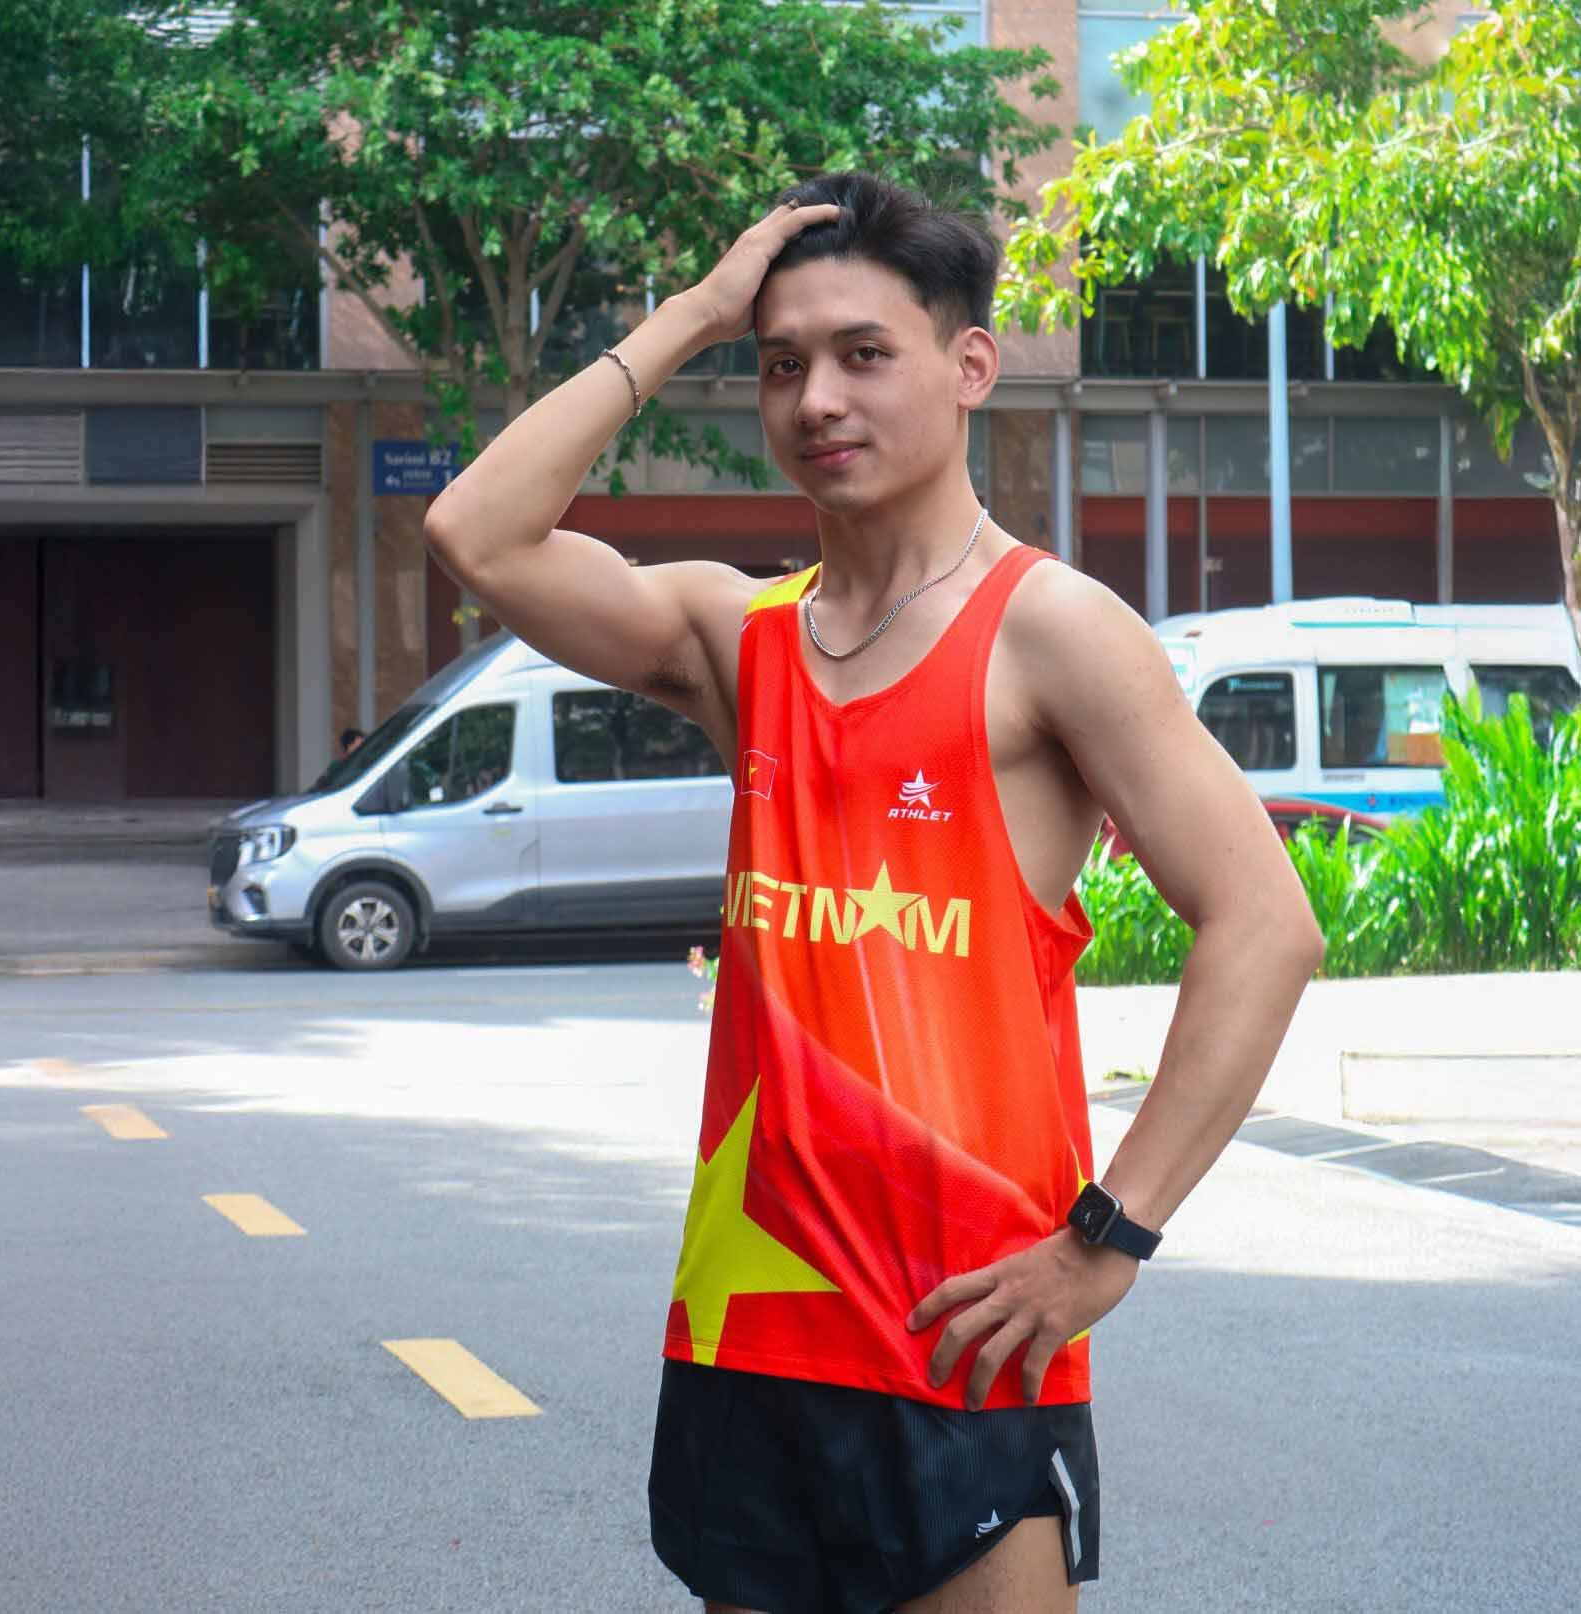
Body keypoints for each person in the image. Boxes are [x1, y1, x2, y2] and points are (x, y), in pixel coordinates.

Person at [424, 173, 1324, 1614]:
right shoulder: (740, 635)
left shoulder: (1050, 631)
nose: (817, 400)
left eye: (863, 354)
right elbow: (477, 534)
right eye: (780, 366)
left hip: (964, 1333)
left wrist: (1111, 1239)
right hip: (749, 1323)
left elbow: (1266, 922)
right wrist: (696, 312)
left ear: (970, 366)